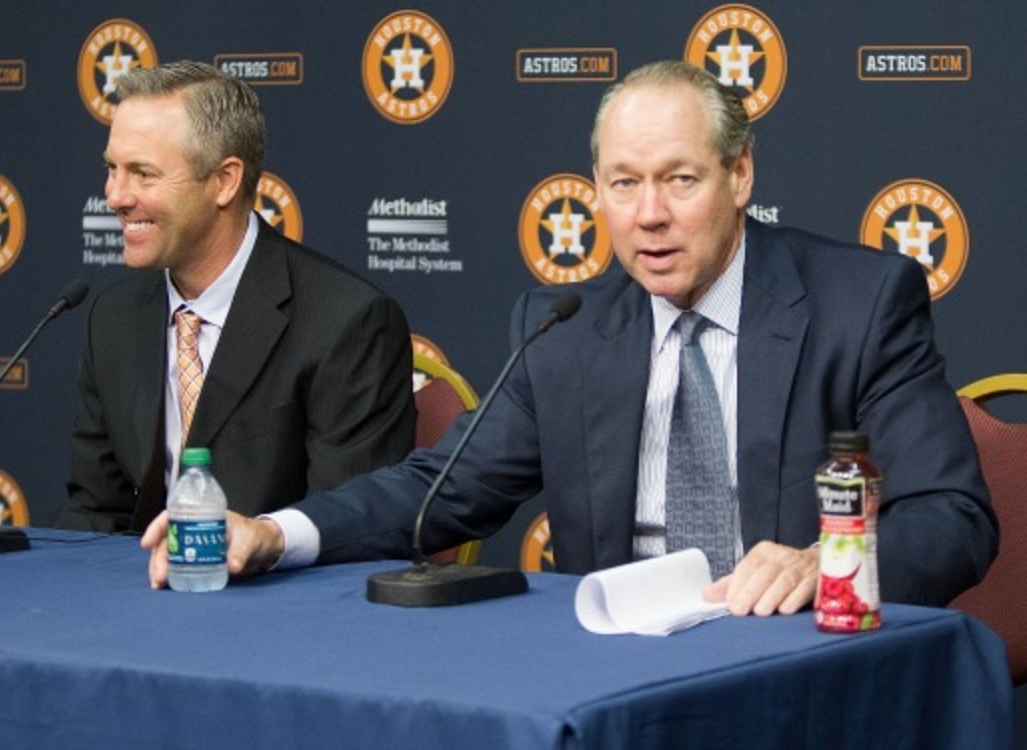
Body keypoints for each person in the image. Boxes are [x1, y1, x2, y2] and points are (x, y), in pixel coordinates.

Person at [143, 60, 997, 615]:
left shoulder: (861, 303)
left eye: (680, 180)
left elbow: (952, 518)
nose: (649, 215)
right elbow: (437, 488)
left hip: (794, 662)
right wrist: (273, 532)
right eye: (623, 184)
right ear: (595, 190)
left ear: (740, 177)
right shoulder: (567, 332)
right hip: (620, 679)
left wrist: (825, 563)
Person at [59, 61, 416, 533]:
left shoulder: (348, 323)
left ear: (225, 181)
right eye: (112, 169)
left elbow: (352, 529)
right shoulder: (113, 318)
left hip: (281, 600)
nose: (115, 196)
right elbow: (94, 513)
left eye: (143, 174)